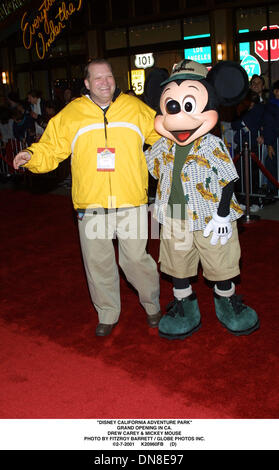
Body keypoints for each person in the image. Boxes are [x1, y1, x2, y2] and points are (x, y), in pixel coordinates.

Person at [13, 58, 161, 337]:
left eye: (108, 77)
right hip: (90, 204)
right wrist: (31, 156)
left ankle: (152, 304)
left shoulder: (134, 108)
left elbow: (161, 135)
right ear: (87, 83)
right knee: (98, 262)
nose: (105, 82)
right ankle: (107, 312)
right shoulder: (73, 113)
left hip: (132, 201)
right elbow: (51, 147)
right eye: (98, 78)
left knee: (136, 260)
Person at [145, 59, 259, 340]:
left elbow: (229, 178)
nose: (179, 117)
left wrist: (222, 215)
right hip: (175, 218)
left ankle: (227, 305)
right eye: (172, 106)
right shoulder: (163, 144)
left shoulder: (211, 143)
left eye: (189, 105)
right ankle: (185, 307)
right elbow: (147, 168)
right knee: (177, 265)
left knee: (221, 264)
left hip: (210, 217)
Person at [262, 79, 279, 196]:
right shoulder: (271, 106)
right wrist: (269, 144)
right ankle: (273, 190)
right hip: (275, 141)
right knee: (272, 164)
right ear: (276, 92)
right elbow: (269, 125)